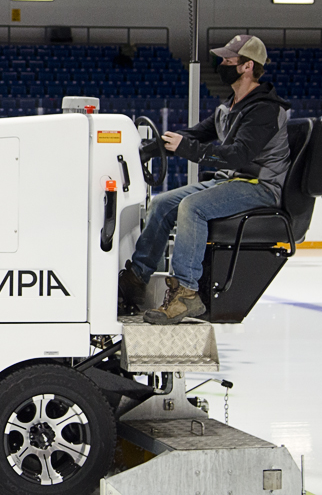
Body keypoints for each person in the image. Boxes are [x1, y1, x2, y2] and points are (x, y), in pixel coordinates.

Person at [119, 34, 291, 325]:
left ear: (248, 66)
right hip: (231, 181)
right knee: (162, 203)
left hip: (259, 186)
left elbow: (236, 156)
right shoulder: (231, 106)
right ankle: (136, 279)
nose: (221, 64)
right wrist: (150, 149)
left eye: (228, 60)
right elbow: (195, 135)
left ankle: (186, 293)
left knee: (192, 207)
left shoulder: (265, 110)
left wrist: (187, 149)